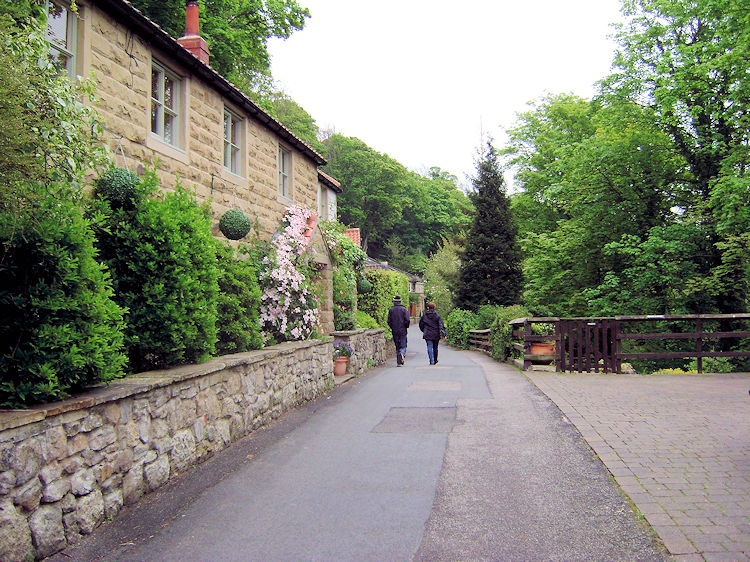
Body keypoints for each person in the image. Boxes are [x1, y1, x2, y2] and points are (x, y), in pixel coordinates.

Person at [387, 295, 410, 366]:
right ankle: (402, 354)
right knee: (403, 344)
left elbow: (389, 321)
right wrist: (406, 326)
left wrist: (392, 327)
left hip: (395, 330)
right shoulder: (404, 309)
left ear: (394, 302)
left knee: (397, 345)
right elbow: (407, 320)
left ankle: (399, 362)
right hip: (403, 329)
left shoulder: (391, 310)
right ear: (400, 302)